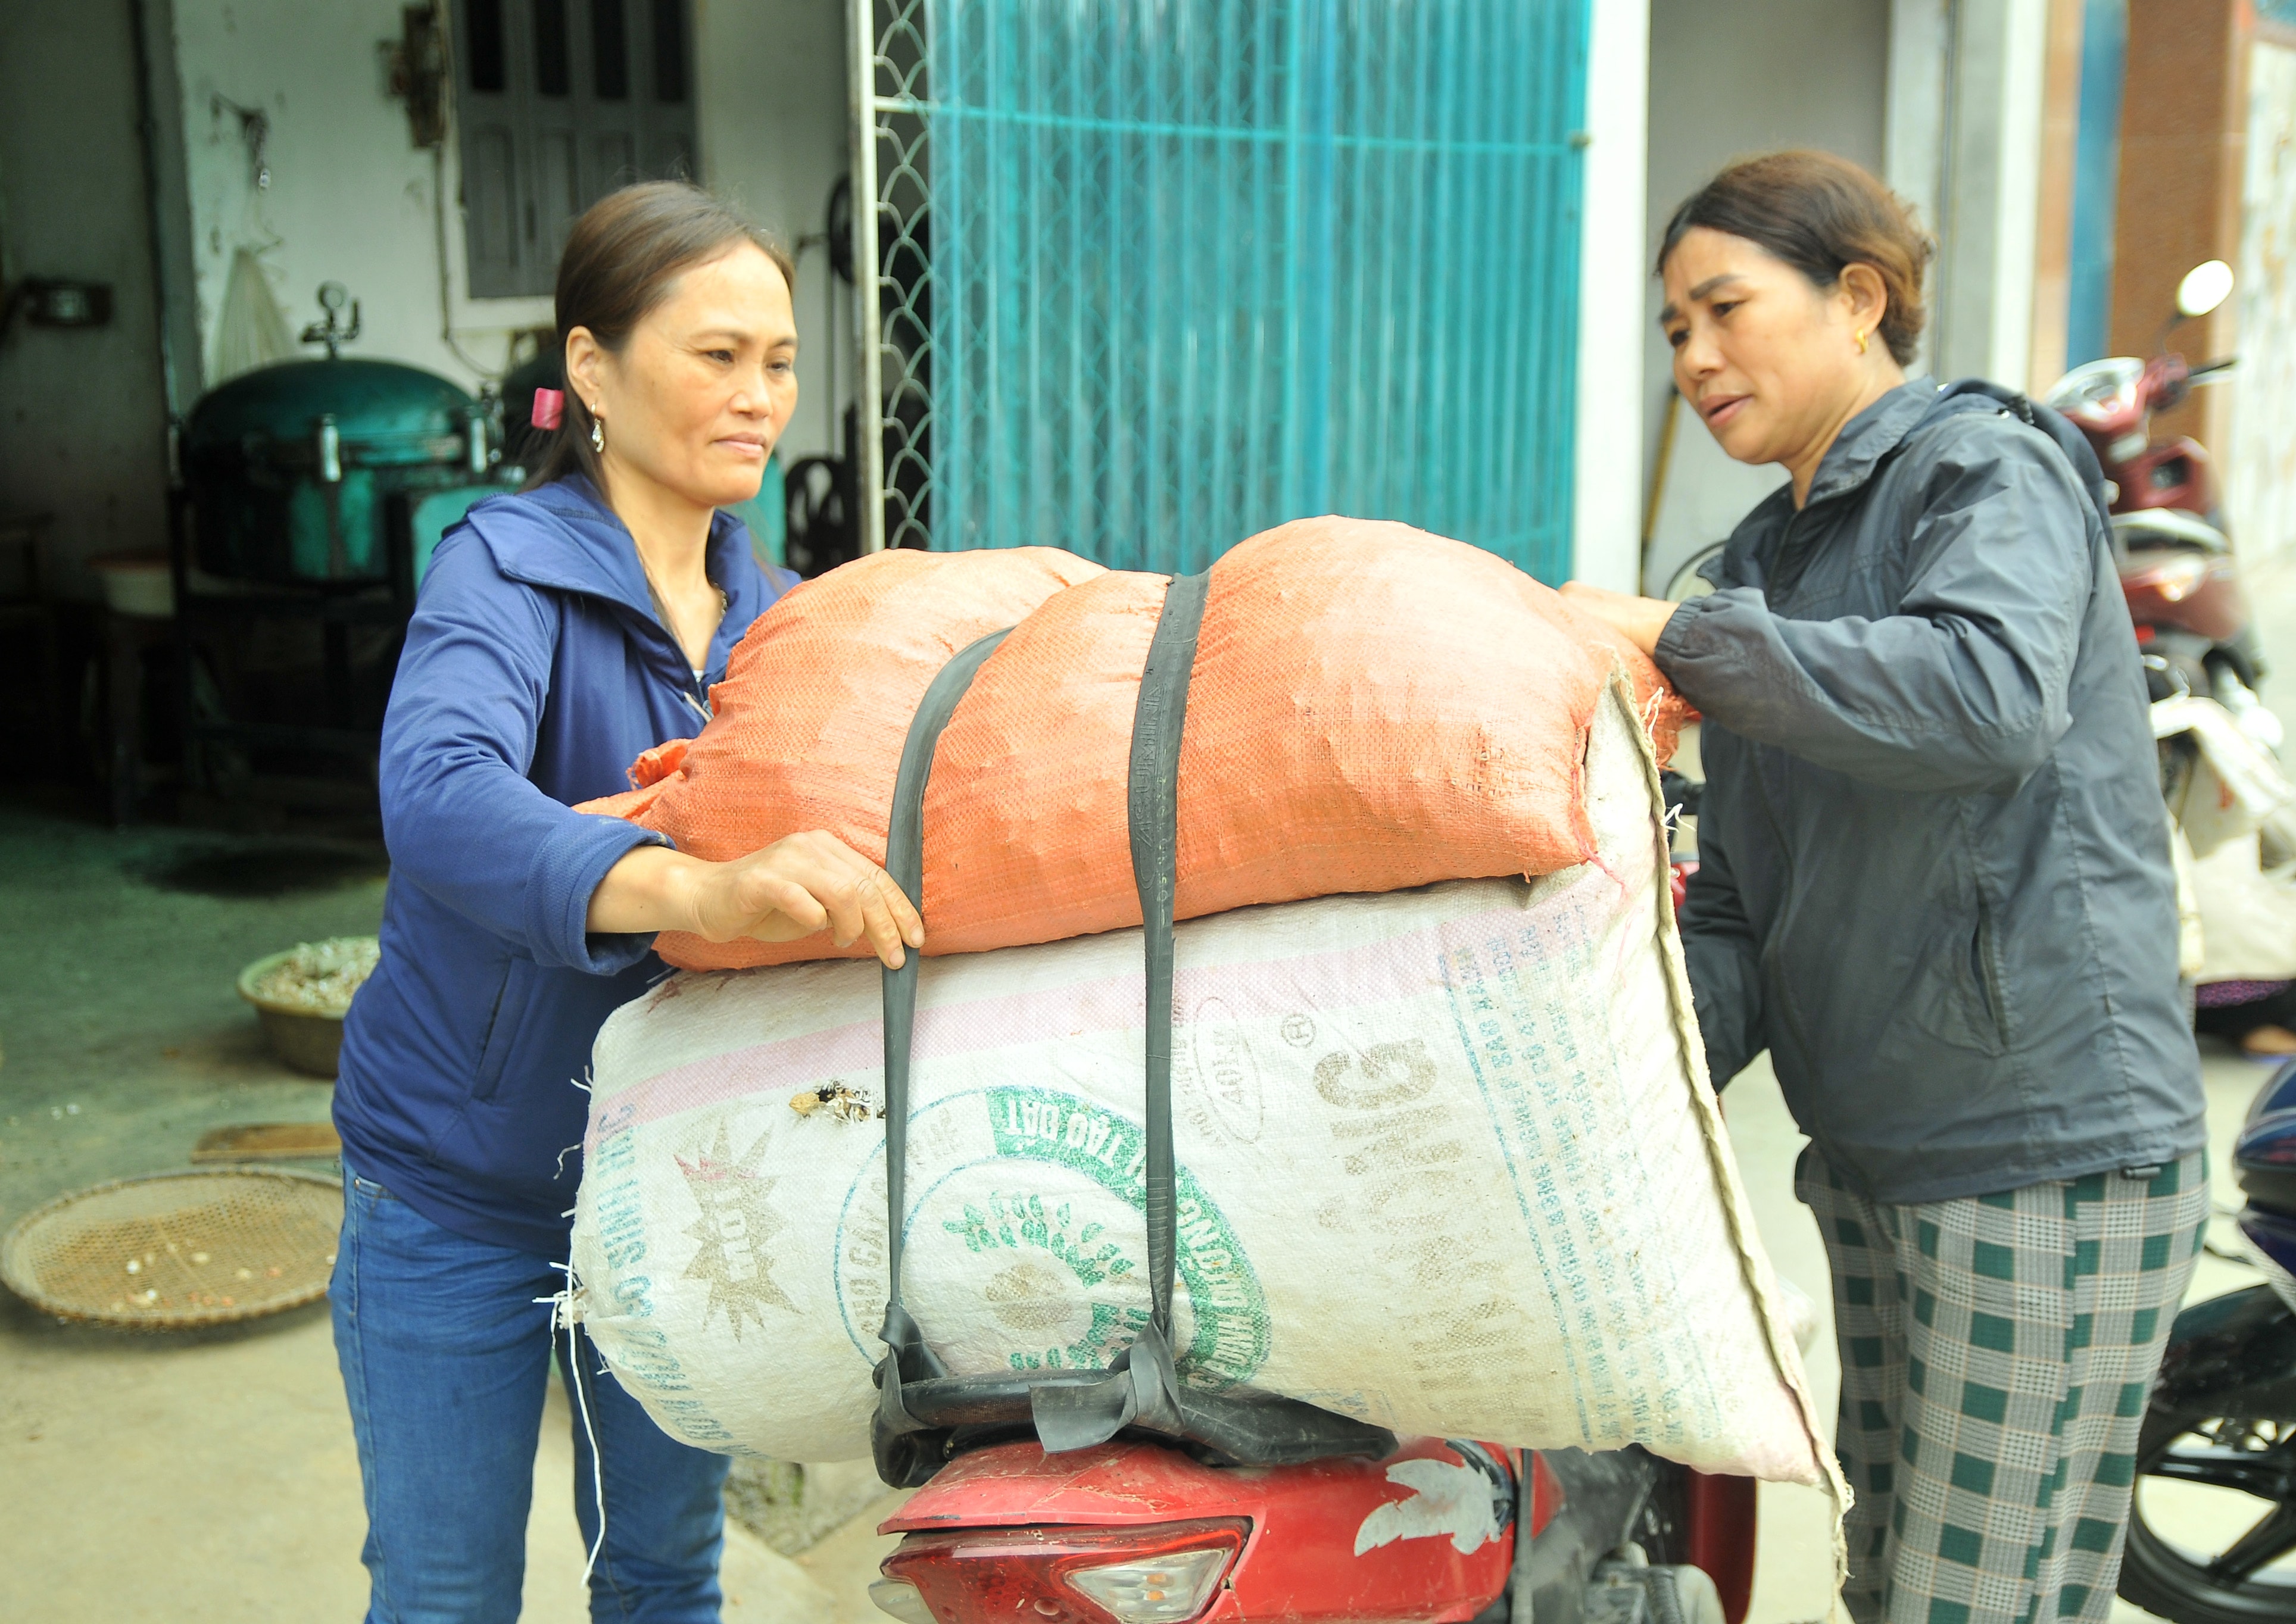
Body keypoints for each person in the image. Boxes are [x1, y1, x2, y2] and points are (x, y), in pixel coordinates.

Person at [1562, 152, 2209, 1624]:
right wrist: (1601, 1059)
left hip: (2034, 1143)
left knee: (1964, 1602)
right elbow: (1738, 897)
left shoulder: (1983, 471)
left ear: (1857, 298)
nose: (1694, 357)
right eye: (1671, 331)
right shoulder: (1759, 557)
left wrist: (1684, 636)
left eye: (1723, 307)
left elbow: (1983, 695)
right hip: (1872, 1151)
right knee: (1903, 1586)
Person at [329, 182, 923, 1622]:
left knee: (662, 1571)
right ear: (591, 369)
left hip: (671, 1187)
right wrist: (696, 883)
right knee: (448, 1589)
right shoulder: (503, 569)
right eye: (715, 354)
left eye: (778, 361)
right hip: (457, 1187)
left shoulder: (780, 613)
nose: (759, 396)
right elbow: (439, 793)